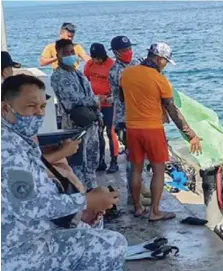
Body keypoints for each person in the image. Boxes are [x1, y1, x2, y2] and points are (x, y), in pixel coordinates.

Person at [1, 74, 126, 271]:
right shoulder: (7, 149)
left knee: (94, 229)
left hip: (30, 231)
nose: (37, 114)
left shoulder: (16, 137)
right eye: (30, 107)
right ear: (6, 108)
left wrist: (81, 206)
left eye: (42, 106)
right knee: (113, 246)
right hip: (15, 248)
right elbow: (27, 207)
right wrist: (85, 201)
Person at [120, 42, 201, 221]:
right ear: (158, 59)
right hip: (152, 129)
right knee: (158, 170)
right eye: (165, 61)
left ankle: (138, 207)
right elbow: (172, 110)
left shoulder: (126, 73)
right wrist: (191, 135)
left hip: (132, 128)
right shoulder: (160, 79)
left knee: (136, 169)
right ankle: (155, 211)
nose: (165, 65)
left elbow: (121, 97)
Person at [51, 39, 101, 190]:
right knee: (78, 163)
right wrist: (95, 100)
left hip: (90, 124)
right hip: (75, 126)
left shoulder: (78, 73)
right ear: (58, 55)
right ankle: (82, 195)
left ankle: (93, 192)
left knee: (92, 161)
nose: (70, 55)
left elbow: (89, 96)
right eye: (66, 53)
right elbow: (72, 101)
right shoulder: (58, 77)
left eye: (72, 52)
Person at [108, 35, 151, 206]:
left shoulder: (134, 64)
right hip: (125, 119)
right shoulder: (116, 71)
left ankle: (141, 187)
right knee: (132, 158)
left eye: (129, 49)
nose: (128, 52)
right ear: (116, 53)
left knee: (142, 157)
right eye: (124, 50)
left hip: (139, 117)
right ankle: (134, 197)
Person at [84, 43, 118, 173]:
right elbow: (87, 80)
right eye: (94, 58)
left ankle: (114, 162)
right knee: (98, 133)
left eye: (98, 58)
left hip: (110, 104)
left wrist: (107, 97)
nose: (96, 60)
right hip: (96, 104)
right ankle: (101, 160)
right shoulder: (90, 65)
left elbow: (118, 88)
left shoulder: (112, 66)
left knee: (111, 132)